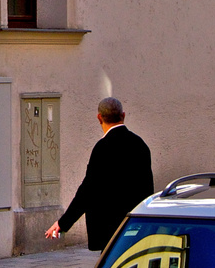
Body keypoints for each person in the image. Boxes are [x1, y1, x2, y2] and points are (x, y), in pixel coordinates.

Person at [45, 96, 154, 252]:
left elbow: (87, 191)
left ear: (99, 118)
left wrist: (63, 223)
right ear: (123, 115)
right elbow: (147, 190)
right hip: (134, 225)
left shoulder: (102, 148)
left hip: (108, 229)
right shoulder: (140, 145)